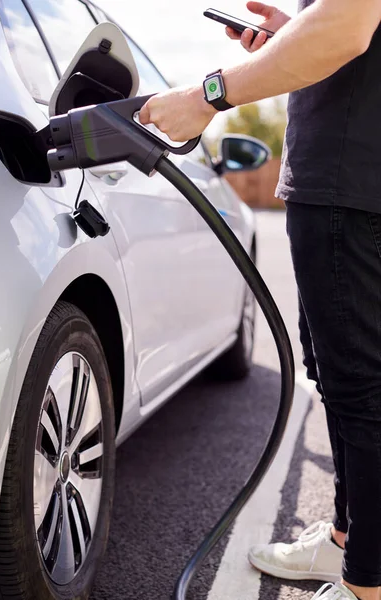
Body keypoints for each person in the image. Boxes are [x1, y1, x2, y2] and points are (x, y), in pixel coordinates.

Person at [139, 1, 381, 599]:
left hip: (353, 181)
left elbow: (347, 26)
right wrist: (289, 39)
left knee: (363, 388)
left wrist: (206, 96)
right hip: (340, 178)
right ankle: (350, 545)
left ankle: (366, 587)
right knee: (339, 377)